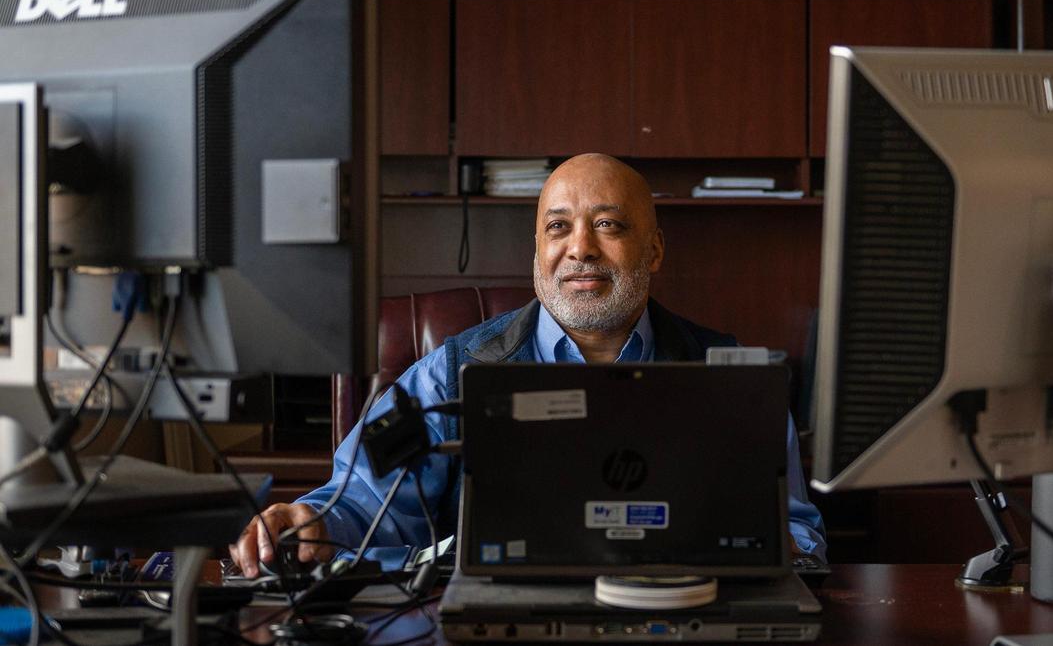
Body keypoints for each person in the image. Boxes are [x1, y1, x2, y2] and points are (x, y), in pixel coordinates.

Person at [230, 154, 826, 577]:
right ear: (537, 252)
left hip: (676, 617)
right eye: (558, 227)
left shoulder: (729, 379)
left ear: (654, 249)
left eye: (610, 225)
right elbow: (365, 498)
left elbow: (798, 530)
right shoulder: (453, 371)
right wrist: (314, 520)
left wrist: (777, 552)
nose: (581, 247)